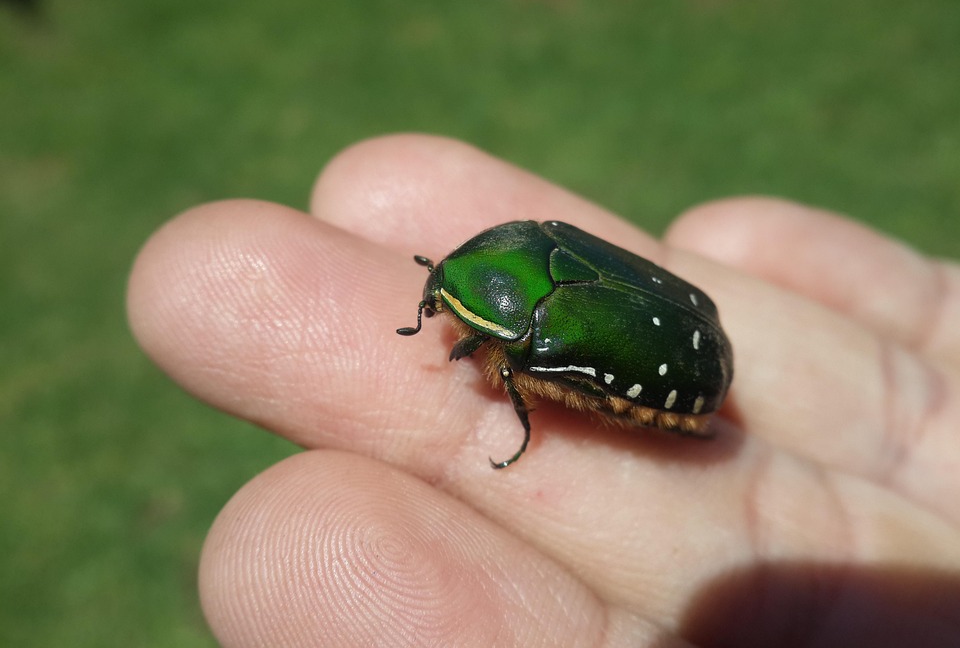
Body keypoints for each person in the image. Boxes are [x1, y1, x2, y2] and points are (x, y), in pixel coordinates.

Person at [127, 135, 960, 647]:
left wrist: (524, 407)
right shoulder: (531, 241)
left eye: (441, 307)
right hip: (693, 321)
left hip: (690, 372)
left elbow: (538, 374)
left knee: (561, 385)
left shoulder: (526, 334)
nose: (435, 316)